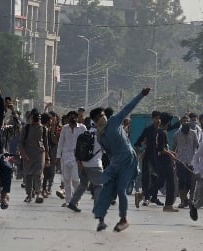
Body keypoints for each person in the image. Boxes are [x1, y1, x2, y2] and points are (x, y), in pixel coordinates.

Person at [92, 87, 150, 232]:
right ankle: (101, 219)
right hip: (115, 163)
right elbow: (108, 153)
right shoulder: (100, 136)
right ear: (95, 120)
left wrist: (141, 95)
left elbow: (128, 108)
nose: (103, 117)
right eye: (100, 116)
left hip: (128, 159)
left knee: (121, 189)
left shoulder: (114, 121)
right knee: (107, 188)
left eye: (103, 114)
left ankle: (124, 219)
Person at [67, 112, 104, 213]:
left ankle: (73, 202)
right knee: (99, 185)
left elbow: (76, 149)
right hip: (95, 164)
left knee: (83, 184)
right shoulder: (100, 135)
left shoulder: (86, 133)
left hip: (84, 163)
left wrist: (79, 160)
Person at [19, 110, 49, 204]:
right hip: (28, 154)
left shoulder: (44, 129)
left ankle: (38, 193)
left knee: (38, 174)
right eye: (34, 117)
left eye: (38, 118)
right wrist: (23, 154)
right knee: (28, 175)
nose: (36, 119)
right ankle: (28, 194)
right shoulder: (26, 128)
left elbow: (46, 144)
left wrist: (47, 157)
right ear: (31, 118)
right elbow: (20, 143)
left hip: (40, 153)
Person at [56, 110, 86, 207]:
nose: (72, 119)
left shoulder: (82, 128)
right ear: (68, 118)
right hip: (65, 156)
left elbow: (87, 141)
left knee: (76, 179)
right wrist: (58, 156)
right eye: (70, 117)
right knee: (66, 179)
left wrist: (84, 156)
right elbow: (60, 142)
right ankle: (68, 200)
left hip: (77, 157)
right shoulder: (65, 128)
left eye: (74, 117)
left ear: (77, 118)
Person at [134, 111, 162, 207]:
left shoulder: (162, 131)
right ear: (152, 119)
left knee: (157, 178)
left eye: (159, 118)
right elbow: (138, 142)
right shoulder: (148, 130)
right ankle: (146, 197)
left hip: (158, 157)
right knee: (146, 177)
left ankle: (154, 197)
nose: (158, 120)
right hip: (148, 157)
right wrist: (140, 150)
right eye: (156, 118)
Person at [172, 115, 199, 208]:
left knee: (190, 183)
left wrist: (200, 158)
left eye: (187, 121)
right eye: (183, 121)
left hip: (191, 162)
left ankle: (188, 199)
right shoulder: (176, 134)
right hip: (180, 162)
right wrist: (172, 159)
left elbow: (197, 146)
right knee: (182, 182)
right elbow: (174, 148)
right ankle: (183, 201)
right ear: (181, 123)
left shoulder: (194, 133)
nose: (186, 123)